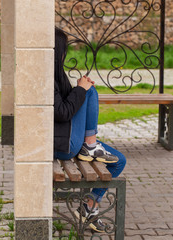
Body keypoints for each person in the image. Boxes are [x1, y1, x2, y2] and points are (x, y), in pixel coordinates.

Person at [54, 28, 126, 233]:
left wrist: (78, 88)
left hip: (65, 138)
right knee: (90, 90)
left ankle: (89, 206)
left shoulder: (54, 75)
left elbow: (65, 106)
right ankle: (90, 145)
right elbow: (62, 113)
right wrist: (81, 90)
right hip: (64, 145)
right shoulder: (46, 79)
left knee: (119, 161)